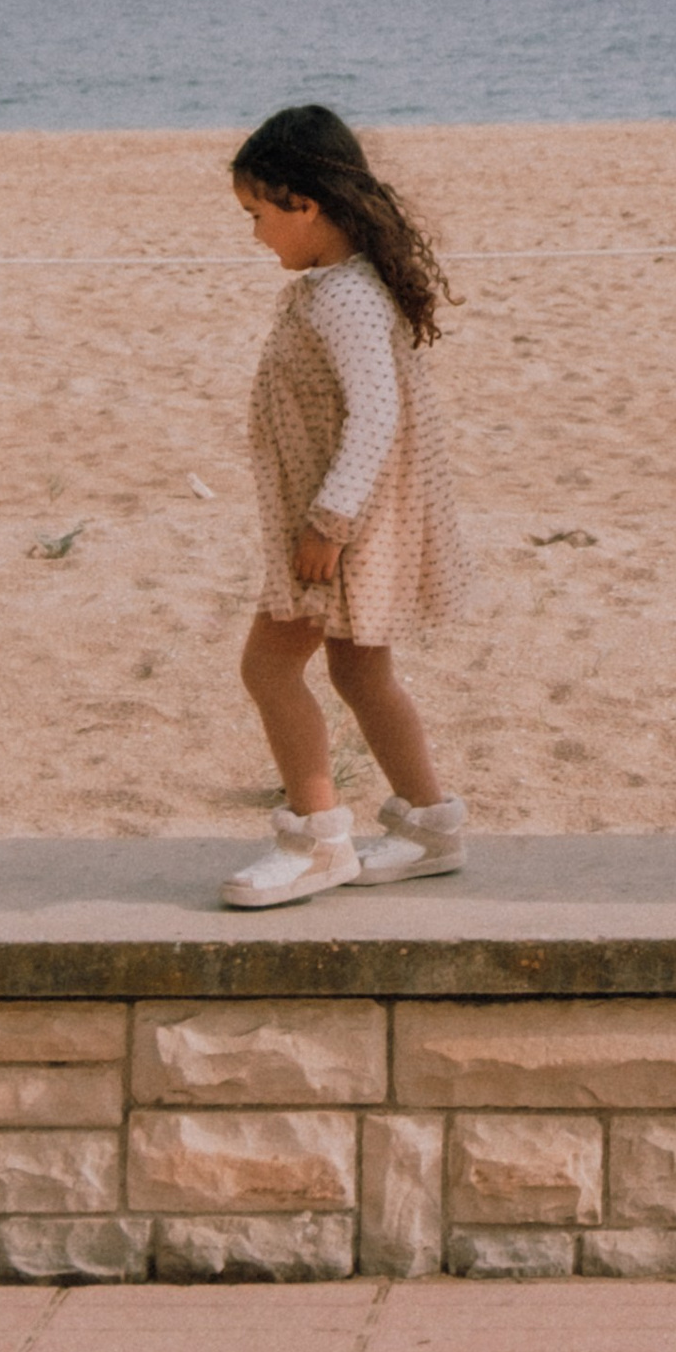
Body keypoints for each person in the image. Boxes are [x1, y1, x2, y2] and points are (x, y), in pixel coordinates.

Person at [221, 105, 475, 908]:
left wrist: (329, 524)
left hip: (341, 526)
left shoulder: (343, 300)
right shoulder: (345, 286)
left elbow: (376, 414)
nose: (256, 234)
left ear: (306, 204)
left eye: (259, 215)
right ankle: (431, 826)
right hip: (351, 515)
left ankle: (315, 838)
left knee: (268, 666)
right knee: (363, 672)